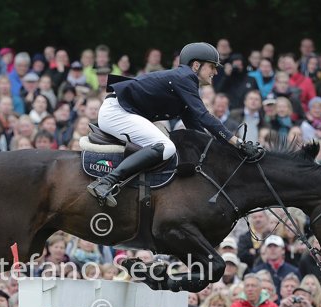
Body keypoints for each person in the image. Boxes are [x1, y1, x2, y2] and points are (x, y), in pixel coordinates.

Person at [86, 42, 260, 207]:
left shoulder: (184, 84)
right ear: (196, 65)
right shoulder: (185, 77)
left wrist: (227, 151)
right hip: (117, 112)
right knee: (166, 146)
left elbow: (197, 131)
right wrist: (239, 143)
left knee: (166, 146)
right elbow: (205, 116)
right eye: (212, 66)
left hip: (121, 111)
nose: (215, 71)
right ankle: (106, 182)